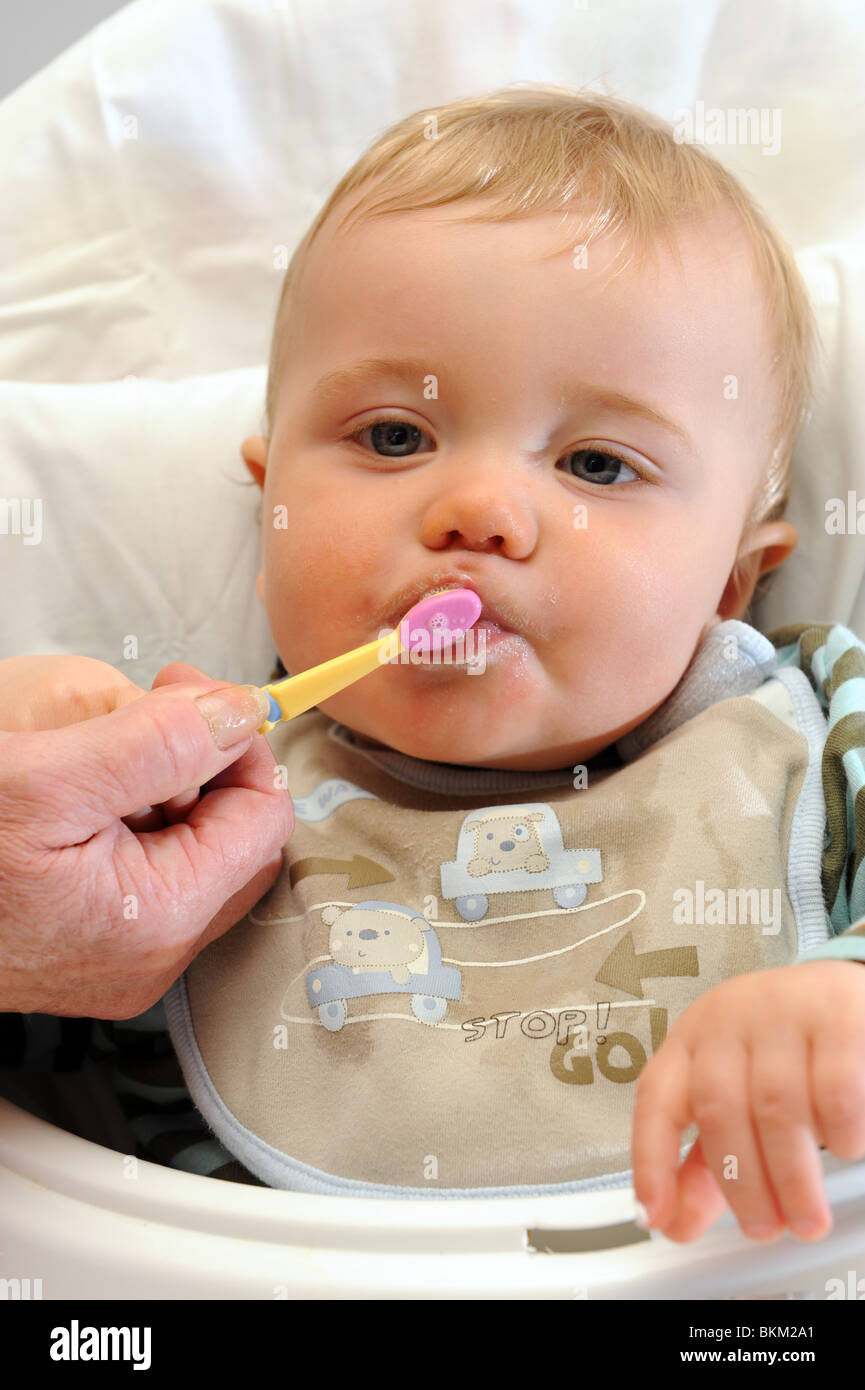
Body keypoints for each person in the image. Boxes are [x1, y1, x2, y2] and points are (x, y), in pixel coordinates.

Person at [6, 86, 865, 1241]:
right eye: (395, 437)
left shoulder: (812, 730)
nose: (478, 510)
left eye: (598, 465)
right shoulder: (186, 818)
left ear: (730, 584)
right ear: (271, 516)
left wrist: (843, 1000)